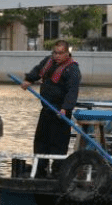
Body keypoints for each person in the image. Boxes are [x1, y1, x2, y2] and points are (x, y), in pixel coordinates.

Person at [21, 40, 81, 177]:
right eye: (55, 53)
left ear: (67, 53)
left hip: (61, 112)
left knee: (58, 143)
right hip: (47, 109)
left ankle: (57, 172)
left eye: (60, 53)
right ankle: (40, 169)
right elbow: (37, 70)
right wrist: (29, 80)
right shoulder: (48, 61)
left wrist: (65, 108)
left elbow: (72, 91)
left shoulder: (72, 70)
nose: (57, 56)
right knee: (41, 141)